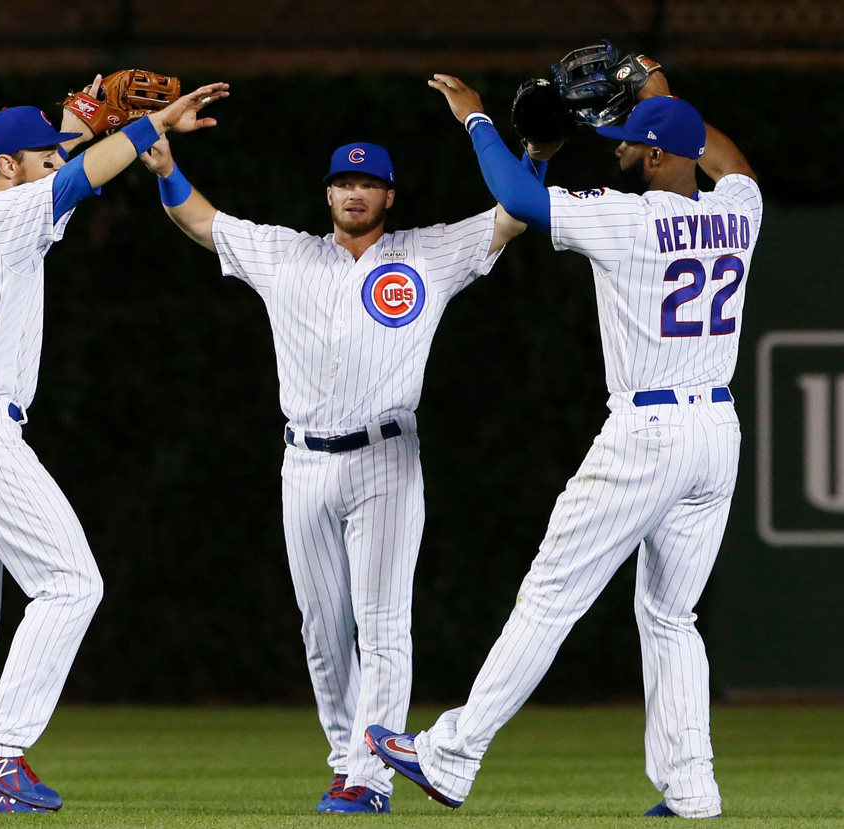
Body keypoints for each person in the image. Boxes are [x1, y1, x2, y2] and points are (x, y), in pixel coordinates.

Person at [366, 70, 762, 820]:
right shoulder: (738, 212)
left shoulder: (628, 218)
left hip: (647, 434)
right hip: (717, 432)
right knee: (673, 615)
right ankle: (692, 787)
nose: (613, 153)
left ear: (653, 160)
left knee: (550, 594)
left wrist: (476, 119)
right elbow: (731, 164)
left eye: (627, 145)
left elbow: (520, 201)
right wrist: (657, 87)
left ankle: (451, 753)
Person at [141, 131, 548, 812]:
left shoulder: (428, 252)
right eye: (342, 182)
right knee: (322, 629)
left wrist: (535, 159)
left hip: (385, 456)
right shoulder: (286, 253)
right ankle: (344, 758)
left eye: (367, 183)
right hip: (301, 461)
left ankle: (370, 772)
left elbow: (517, 215)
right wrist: (165, 167)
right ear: (328, 192)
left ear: (388, 194)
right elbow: (200, 221)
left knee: (383, 622)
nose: (353, 192)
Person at [0, 76, 229, 813]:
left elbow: (64, 166)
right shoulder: (11, 212)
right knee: (72, 583)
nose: (53, 164)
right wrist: (155, 126)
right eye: (38, 158)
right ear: (9, 166)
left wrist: (76, 123)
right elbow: (76, 175)